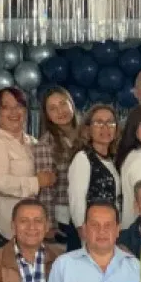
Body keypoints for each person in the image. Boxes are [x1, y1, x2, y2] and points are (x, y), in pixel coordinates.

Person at [0, 87, 55, 241]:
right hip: (9, 228)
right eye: (6, 107)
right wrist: (37, 182)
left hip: (36, 226)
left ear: (25, 111)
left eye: (18, 106)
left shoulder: (33, 142)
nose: (14, 112)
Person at [34, 87, 80, 245]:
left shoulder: (87, 134)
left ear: (71, 104)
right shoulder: (45, 144)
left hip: (90, 212)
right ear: (47, 115)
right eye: (53, 108)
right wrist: (49, 225)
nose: (60, 111)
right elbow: (46, 190)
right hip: (64, 218)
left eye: (63, 104)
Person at [68, 103, 121, 238]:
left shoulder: (113, 160)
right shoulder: (83, 158)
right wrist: (83, 234)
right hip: (89, 235)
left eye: (110, 122)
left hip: (107, 232)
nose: (105, 127)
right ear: (88, 129)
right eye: (99, 122)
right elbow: (77, 200)